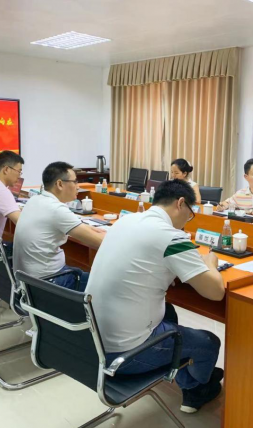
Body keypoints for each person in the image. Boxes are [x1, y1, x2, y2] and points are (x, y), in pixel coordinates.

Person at [86, 179, 225, 413]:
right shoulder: (172, 237)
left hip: (92, 342)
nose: (188, 220)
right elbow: (215, 292)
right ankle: (195, 389)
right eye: (190, 213)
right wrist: (210, 262)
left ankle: (184, 371)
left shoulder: (125, 221)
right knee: (209, 342)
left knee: (169, 312)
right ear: (181, 203)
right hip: (123, 356)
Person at [13, 162, 104, 291]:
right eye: (75, 182)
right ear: (60, 184)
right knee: (102, 283)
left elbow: (80, 227)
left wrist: (91, 229)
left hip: (27, 282)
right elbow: (99, 242)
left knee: (81, 271)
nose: (78, 187)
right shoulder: (56, 209)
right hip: (48, 283)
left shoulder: (35, 200)